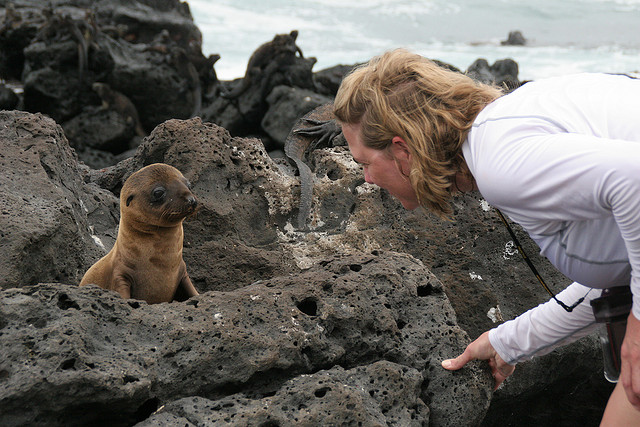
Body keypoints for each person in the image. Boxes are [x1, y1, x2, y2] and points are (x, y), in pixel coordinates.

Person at [332, 48, 640, 425]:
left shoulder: (501, 163)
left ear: (402, 150)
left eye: (365, 163)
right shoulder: (502, 133)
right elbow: (623, 271)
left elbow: (635, 181)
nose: (366, 178)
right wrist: (506, 343)